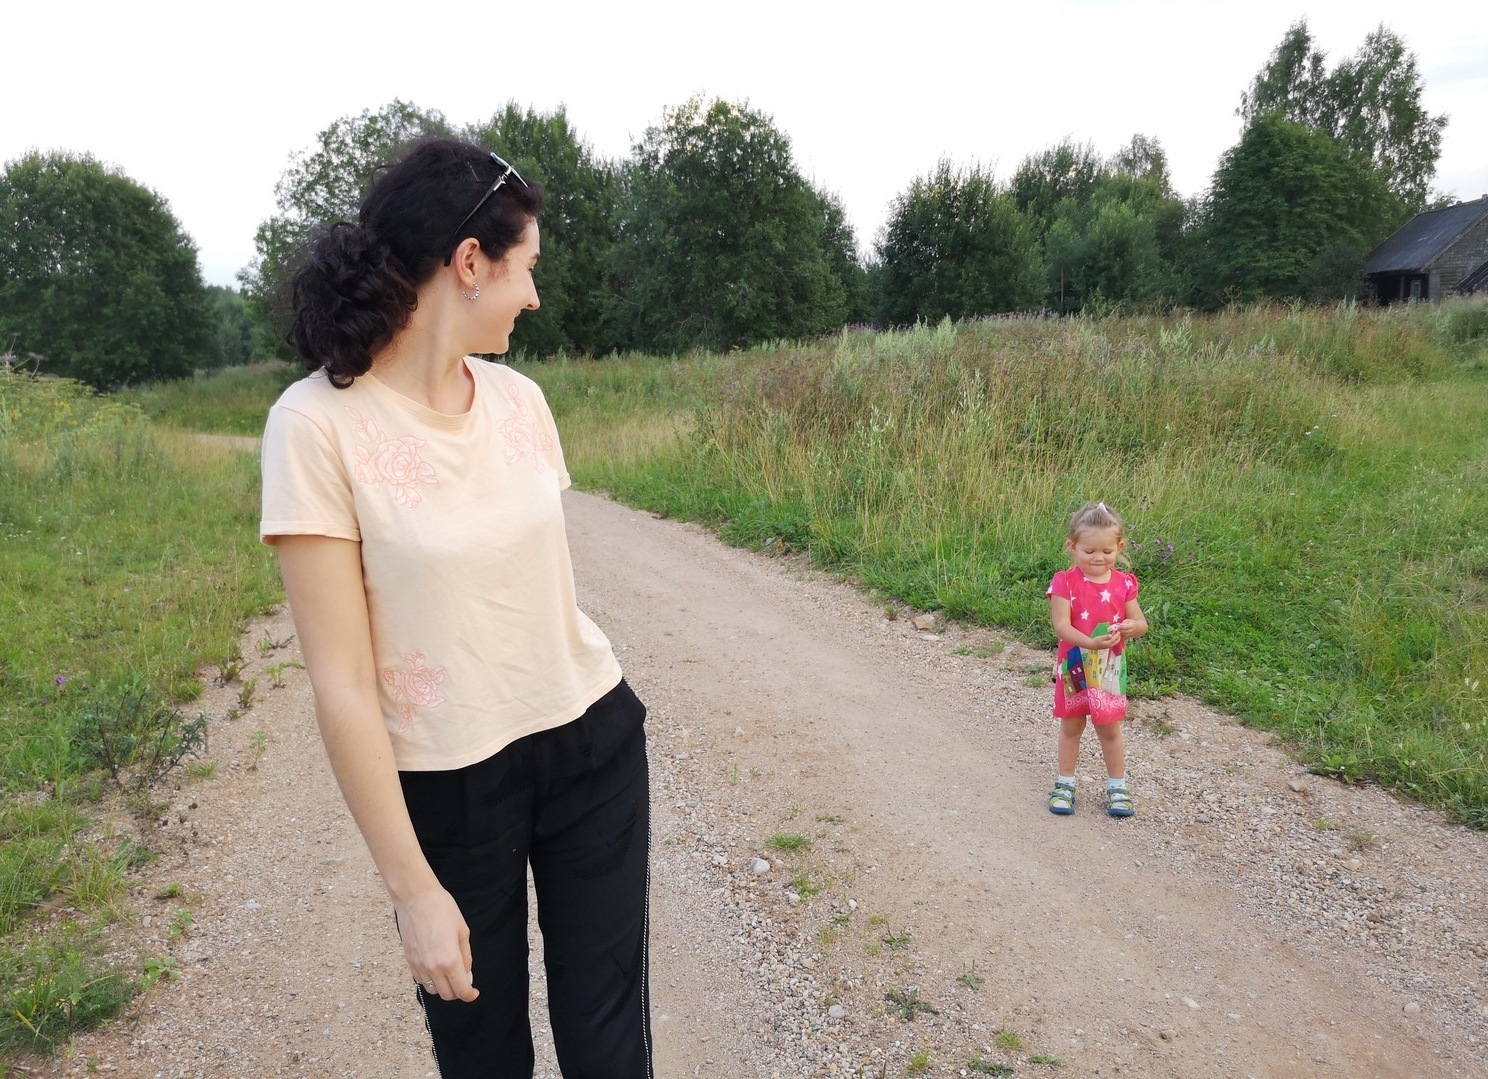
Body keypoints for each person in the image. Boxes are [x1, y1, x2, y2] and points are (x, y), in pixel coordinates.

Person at [258, 138, 653, 1078]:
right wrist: (410, 889)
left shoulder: (521, 401)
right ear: (470, 263)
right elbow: (343, 684)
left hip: (590, 741)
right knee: (484, 1058)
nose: (535, 296)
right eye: (528, 269)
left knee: (608, 1048)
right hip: (448, 781)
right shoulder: (314, 426)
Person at [1045, 502, 1148, 818]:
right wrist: (1090, 642)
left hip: (1109, 670)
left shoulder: (1125, 583)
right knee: (1072, 726)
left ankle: (1118, 787)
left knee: (1109, 729)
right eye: (1089, 551)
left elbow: (1141, 624)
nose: (1098, 558)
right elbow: (1061, 625)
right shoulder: (1065, 582)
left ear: (1119, 547)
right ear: (1072, 547)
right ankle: (1065, 784)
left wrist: (1133, 627)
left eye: (1106, 550)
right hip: (1075, 663)